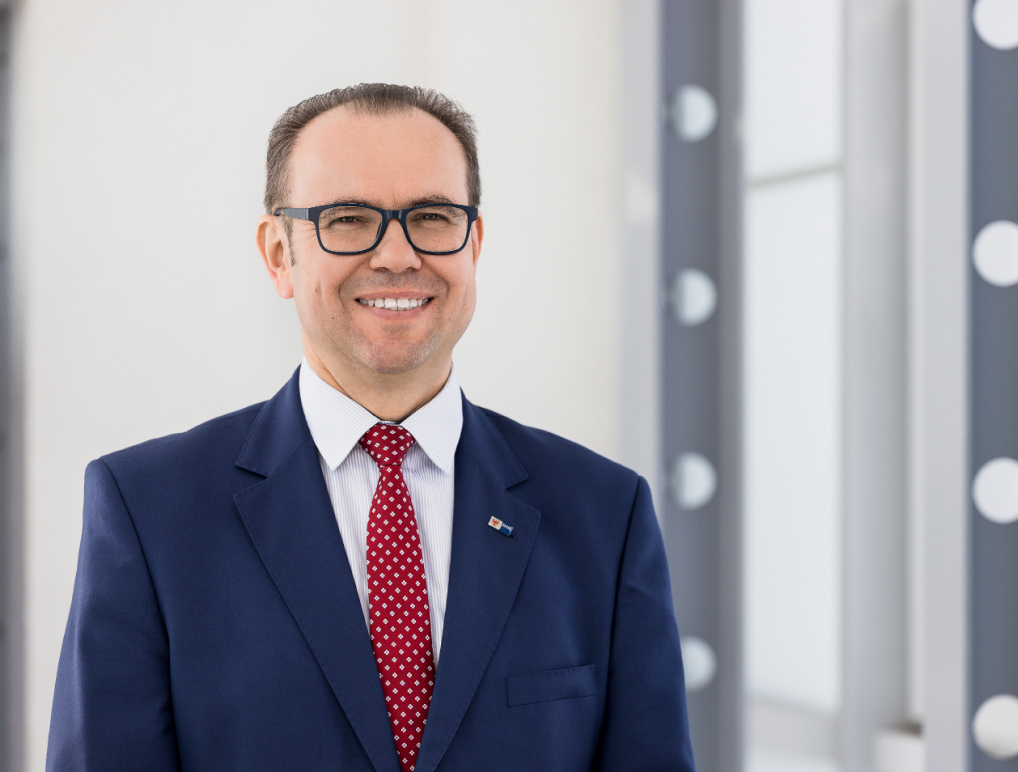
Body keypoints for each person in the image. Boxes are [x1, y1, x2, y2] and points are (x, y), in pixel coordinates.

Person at [46, 83, 694, 772]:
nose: (396, 255)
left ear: (474, 245)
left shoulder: (605, 514)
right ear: (278, 254)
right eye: (349, 219)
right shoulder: (149, 511)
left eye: (433, 217)